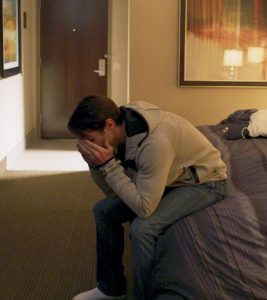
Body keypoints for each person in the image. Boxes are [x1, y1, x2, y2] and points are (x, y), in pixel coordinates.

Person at [68, 95, 227, 300]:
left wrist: (107, 165)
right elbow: (113, 192)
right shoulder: (122, 130)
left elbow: (144, 208)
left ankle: (142, 295)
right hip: (171, 178)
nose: (89, 147)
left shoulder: (155, 143)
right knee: (103, 210)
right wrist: (96, 164)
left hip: (205, 182)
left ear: (108, 125)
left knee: (142, 228)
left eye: (91, 141)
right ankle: (111, 288)